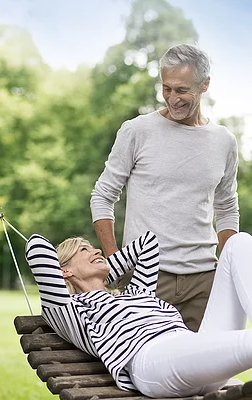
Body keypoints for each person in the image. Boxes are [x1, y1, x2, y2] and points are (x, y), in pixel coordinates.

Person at [25, 230, 252, 398]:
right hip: (153, 363)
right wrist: (85, 271)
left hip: (191, 350)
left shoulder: (136, 293)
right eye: (83, 251)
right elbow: (36, 247)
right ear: (65, 273)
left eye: (93, 247)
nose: (94, 250)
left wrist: (103, 267)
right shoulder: (69, 310)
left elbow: (149, 244)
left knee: (239, 244)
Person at [90, 43, 239, 332]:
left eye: (182, 90)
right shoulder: (137, 131)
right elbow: (102, 196)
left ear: (205, 85)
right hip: (146, 277)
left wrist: (227, 264)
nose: (173, 98)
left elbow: (227, 207)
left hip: (204, 279)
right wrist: (115, 263)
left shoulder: (224, 141)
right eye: (166, 88)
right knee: (146, 370)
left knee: (205, 371)